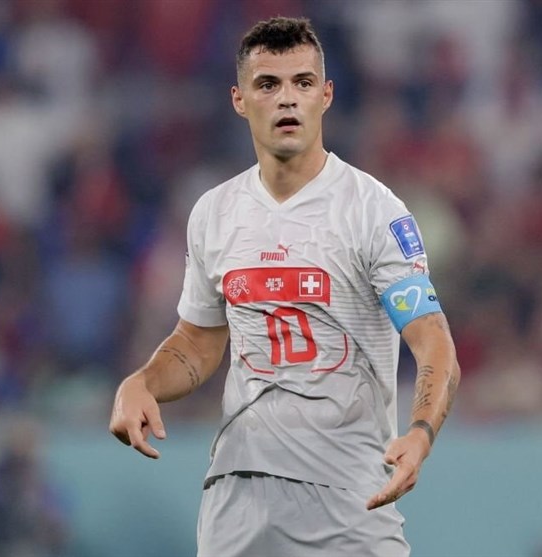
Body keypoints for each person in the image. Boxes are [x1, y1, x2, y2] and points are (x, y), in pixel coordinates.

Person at [108, 16, 461, 557]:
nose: (287, 99)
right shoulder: (214, 212)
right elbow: (198, 342)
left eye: (302, 83)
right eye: (268, 84)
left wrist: (421, 433)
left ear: (326, 95)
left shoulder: (373, 211)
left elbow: (433, 340)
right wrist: (142, 384)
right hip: (237, 493)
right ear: (239, 100)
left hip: (348, 493)